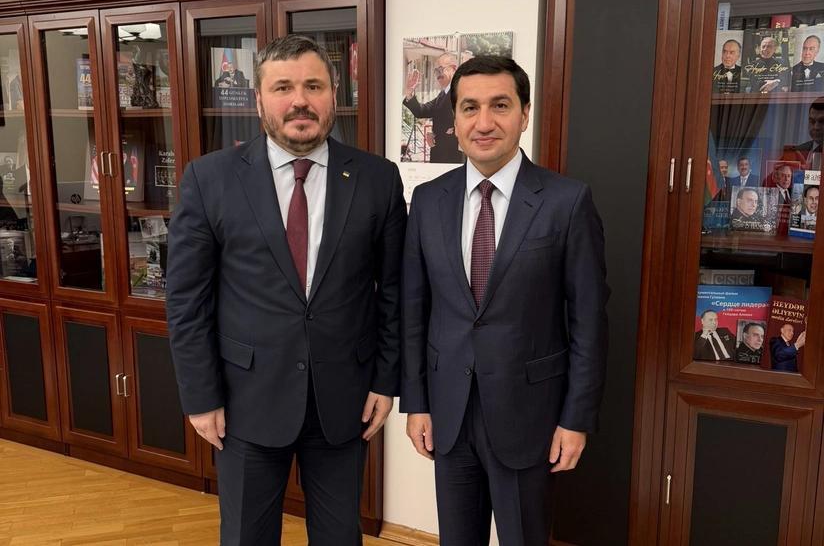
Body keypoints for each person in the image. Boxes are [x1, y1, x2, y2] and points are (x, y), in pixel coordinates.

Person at [166, 34, 406, 545]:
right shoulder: (209, 179)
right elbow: (187, 301)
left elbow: (393, 292)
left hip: (345, 401)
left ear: (334, 94)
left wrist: (387, 381)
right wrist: (200, 396)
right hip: (245, 401)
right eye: (283, 88)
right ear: (259, 100)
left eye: (313, 86)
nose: (300, 100)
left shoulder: (378, 179)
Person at [401, 56, 609, 546]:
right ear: (454, 120)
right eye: (470, 108)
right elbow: (414, 309)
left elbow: (589, 323)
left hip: (530, 416)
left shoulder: (567, 202)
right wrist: (416, 403)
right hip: (449, 412)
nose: (484, 122)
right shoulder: (427, 200)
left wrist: (576, 419)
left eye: (500, 105)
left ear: (525, 113)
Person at [403, 53, 464, 164]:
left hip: (453, 159)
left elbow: (464, 126)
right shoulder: (442, 95)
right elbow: (421, 111)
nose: (438, 75)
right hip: (439, 156)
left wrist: (436, 136)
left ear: (453, 69)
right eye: (436, 71)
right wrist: (409, 93)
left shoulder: (462, 92)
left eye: (441, 69)